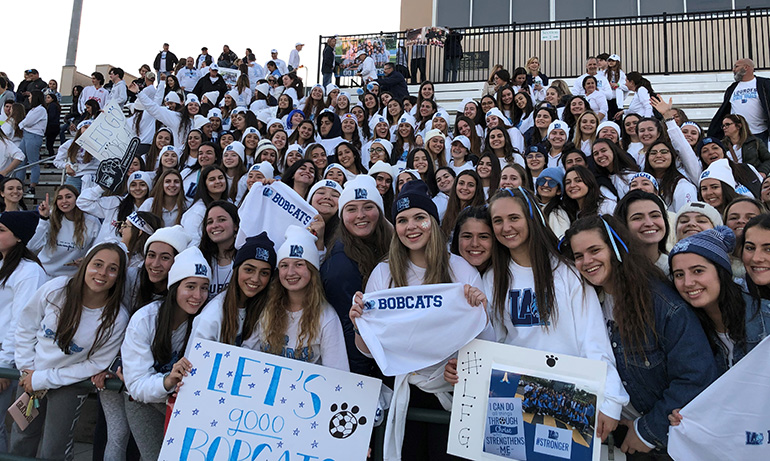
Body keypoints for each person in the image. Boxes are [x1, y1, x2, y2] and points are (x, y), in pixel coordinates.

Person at [350, 180, 491, 461]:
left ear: (433, 223)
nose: (410, 226)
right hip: (405, 393)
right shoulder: (383, 273)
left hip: (453, 393)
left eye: (419, 218)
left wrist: (479, 310)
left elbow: (484, 340)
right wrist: (359, 324)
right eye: (402, 220)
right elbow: (368, 350)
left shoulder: (461, 269)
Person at [563, 216, 718, 455]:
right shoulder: (587, 300)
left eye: (595, 250)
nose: (587, 261)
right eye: (579, 256)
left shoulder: (662, 305)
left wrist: (646, 431)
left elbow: (695, 377)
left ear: (616, 248)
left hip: (664, 444)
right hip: (617, 436)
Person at [10, 242, 129, 461]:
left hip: (68, 383)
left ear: (119, 276)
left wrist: (44, 379)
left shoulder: (117, 318)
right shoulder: (56, 289)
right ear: (85, 265)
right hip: (30, 376)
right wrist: (27, 367)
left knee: (55, 448)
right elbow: (27, 324)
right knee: (21, 438)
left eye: (112, 269)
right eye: (97, 264)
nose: (102, 273)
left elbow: (95, 364)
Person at [121, 247, 210, 460]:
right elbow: (136, 384)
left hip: (184, 406)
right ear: (174, 287)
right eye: (190, 287)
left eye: (204, 288)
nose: (198, 296)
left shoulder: (207, 320)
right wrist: (168, 381)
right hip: (145, 403)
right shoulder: (145, 319)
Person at [0, 211, 46, 453]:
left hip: (10, 358)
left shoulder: (29, 272)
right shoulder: (4, 264)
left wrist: (5, 364)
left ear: (19, 237)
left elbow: (21, 322)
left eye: (1, 230)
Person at [29, 185, 100, 279]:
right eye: (59, 198)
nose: (64, 201)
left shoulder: (92, 222)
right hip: (45, 273)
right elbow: (32, 247)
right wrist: (43, 219)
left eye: (68, 197)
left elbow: (98, 249)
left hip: (73, 277)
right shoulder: (50, 218)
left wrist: (87, 259)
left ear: (77, 199)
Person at [708, 58, 770, 144]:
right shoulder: (732, 88)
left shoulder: (764, 84)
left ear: (746, 67)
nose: (733, 70)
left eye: (736, 66)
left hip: (760, 132)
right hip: (738, 134)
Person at [16, 90, 46, 192]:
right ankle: (19, 183)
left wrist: (21, 124)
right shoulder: (33, 110)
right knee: (20, 160)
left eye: (31, 96)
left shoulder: (40, 110)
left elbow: (28, 122)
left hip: (34, 136)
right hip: (26, 135)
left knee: (33, 161)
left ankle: (32, 185)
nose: (29, 98)